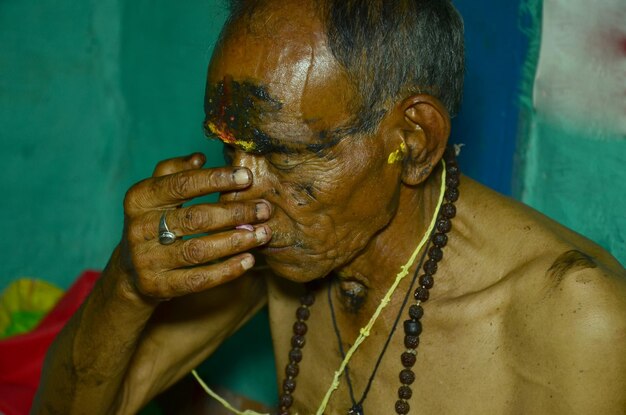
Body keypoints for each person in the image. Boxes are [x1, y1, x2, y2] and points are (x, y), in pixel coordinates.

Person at [32, 0, 626, 414]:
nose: (241, 193)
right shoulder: (268, 245)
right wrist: (127, 287)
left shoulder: (578, 322)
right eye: (229, 145)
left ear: (412, 141)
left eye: (285, 156)